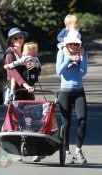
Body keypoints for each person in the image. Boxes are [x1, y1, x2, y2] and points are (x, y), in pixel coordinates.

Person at [56, 30, 88, 164]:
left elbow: (82, 72)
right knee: (66, 123)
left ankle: (78, 151)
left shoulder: (83, 53)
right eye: (71, 44)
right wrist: (69, 58)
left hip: (79, 91)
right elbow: (59, 71)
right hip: (65, 91)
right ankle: (67, 152)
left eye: (76, 44)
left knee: (82, 120)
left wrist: (81, 58)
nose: (73, 47)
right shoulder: (61, 53)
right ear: (66, 44)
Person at [3, 27, 40, 105]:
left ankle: (28, 118)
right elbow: (13, 73)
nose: (19, 39)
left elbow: (37, 70)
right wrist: (26, 85)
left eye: (21, 37)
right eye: (15, 38)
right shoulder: (9, 54)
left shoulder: (27, 51)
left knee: (29, 112)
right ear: (11, 41)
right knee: (15, 114)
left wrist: (36, 66)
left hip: (28, 87)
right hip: (15, 89)